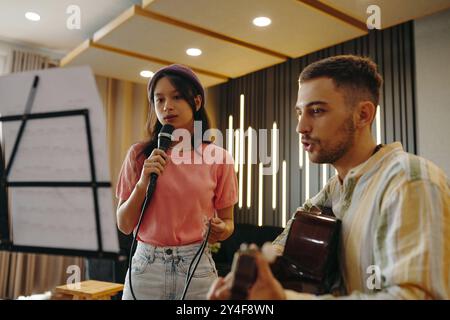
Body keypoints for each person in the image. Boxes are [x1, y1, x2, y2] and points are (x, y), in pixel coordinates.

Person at [207, 55, 450, 300]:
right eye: (299, 113)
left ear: (363, 115)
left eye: (317, 111)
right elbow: (283, 245)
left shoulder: (410, 181)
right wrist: (250, 276)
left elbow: (417, 296)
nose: (301, 127)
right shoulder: (334, 190)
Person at [116, 64, 238, 300]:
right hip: (145, 268)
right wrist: (142, 183)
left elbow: (228, 222)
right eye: (159, 100)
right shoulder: (139, 155)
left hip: (197, 270)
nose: (167, 106)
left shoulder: (219, 158)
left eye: (177, 97)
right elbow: (124, 224)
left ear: (197, 102)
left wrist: (222, 230)